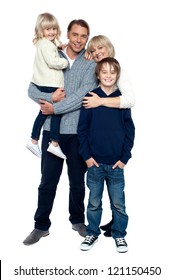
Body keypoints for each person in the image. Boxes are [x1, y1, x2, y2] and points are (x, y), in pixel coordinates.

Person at [23, 19, 98, 245]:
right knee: (47, 182)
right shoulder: (51, 52)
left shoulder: (90, 62)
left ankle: (77, 221)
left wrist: (54, 107)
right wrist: (49, 98)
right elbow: (32, 88)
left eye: (83, 36)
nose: (78, 40)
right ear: (67, 34)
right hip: (50, 132)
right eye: (75, 34)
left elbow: (82, 96)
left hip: (77, 132)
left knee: (77, 181)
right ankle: (40, 226)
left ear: (87, 38)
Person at [77, 57, 135, 252]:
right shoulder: (90, 97)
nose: (108, 75)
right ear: (98, 74)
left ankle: (119, 235)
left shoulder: (121, 100)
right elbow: (82, 130)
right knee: (94, 202)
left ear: (117, 75)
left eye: (112, 72)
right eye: (104, 72)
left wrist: (124, 158)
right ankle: (92, 232)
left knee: (118, 204)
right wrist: (87, 157)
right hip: (95, 163)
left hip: (116, 164)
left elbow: (130, 132)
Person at [26, 12, 68, 159]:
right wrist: (65, 62)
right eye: (47, 29)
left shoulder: (42, 43)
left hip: (43, 83)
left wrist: (60, 46)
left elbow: (53, 45)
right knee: (56, 110)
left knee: (44, 112)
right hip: (51, 84)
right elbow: (53, 62)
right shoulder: (47, 45)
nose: (51, 32)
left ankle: (34, 140)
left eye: (54, 29)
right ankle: (54, 143)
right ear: (41, 30)